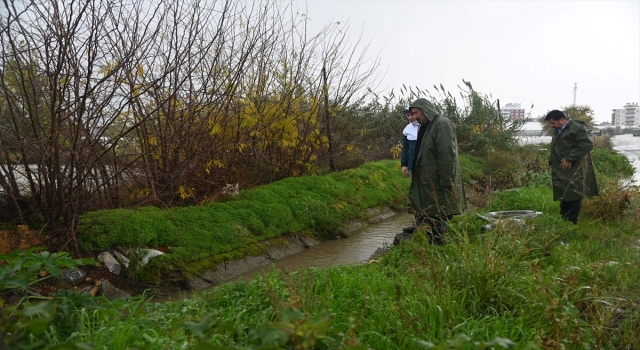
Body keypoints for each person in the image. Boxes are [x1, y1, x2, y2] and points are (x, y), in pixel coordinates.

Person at [406, 98, 466, 245]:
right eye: (412, 113)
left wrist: (447, 179)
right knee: (430, 206)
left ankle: (439, 241)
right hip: (428, 175)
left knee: (439, 208)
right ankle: (425, 230)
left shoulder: (441, 124)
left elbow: (446, 154)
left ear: (425, 109)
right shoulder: (428, 124)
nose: (414, 116)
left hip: (438, 177)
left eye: (416, 113)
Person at [545, 110, 598, 224]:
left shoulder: (577, 128)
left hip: (574, 167)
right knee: (564, 193)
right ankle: (564, 219)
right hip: (560, 167)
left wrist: (570, 158)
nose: (552, 126)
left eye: (553, 123)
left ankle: (572, 222)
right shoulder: (558, 130)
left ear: (562, 120)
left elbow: (587, 144)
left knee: (573, 194)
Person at [400, 108, 420, 177]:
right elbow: (406, 148)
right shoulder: (407, 129)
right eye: (408, 115)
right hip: (414, 165)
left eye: (412, 114)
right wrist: (404, 164)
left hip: (428, 166)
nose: (410, 117)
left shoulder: (428, 127)